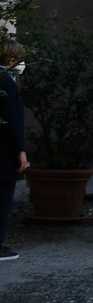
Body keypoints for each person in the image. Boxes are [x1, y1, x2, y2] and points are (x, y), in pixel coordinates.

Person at [0, 40, 27, 261]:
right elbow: (11, 120)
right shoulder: (7, 82)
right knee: (2, 199)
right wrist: (20, 150)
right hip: (4, 152)